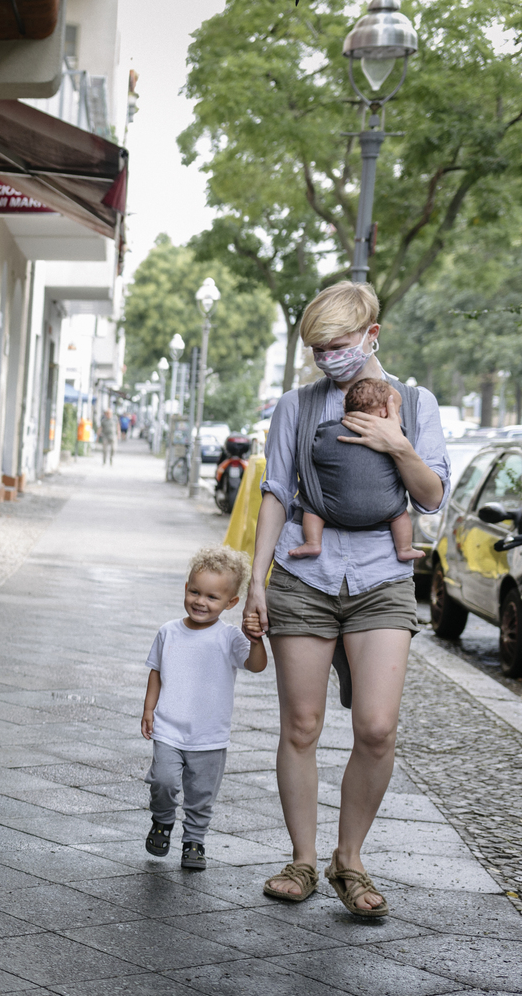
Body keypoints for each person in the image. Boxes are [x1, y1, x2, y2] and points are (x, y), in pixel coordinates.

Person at [243, 281, 448, 918]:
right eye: (317, 348)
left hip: (383, 576)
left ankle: (348, 858)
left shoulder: (414, 403)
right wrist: (256, 578)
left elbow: (432, 496)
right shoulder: (296, 406)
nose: (327, 357)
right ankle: (303, 860)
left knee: (377, 728)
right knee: (301, 726)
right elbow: (276, 491)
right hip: (306, 575)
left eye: (337, 344)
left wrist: (399, 445)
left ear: (371, 336)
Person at [140, 546, 268, 871]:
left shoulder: (229, 637)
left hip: (210, 735)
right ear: (185, 588)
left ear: (231, 603)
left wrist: (255, 639)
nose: (201, 601)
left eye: (212, 597)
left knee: (201, 794)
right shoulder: (168, 632)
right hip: (168, 728)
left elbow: (256, 665)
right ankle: (162, 819)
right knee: (163, 781)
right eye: (195, 592)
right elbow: (156, 672)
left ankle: (194, 840)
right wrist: (149, 709)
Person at [285, 378, 419, 563]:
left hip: (330, 510)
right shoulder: (398, 437)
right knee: (401, 514)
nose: (400, 417)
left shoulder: (327, 434)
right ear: (385, 412)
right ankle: (404, 548)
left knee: (311, 506)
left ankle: (313, 542)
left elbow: (311, 451)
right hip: (386, 510)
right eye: (398, 410)